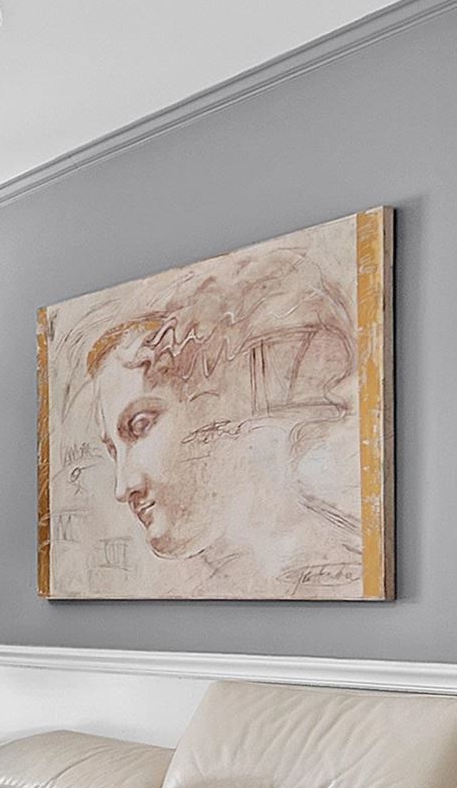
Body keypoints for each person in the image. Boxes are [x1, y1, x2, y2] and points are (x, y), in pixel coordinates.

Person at [67, 238, 366, 596]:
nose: (122, 487)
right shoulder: (201, 588)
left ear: (230, 399)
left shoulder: (338, 568)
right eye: (113, 451)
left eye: (141, 425)